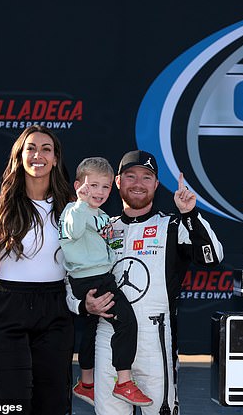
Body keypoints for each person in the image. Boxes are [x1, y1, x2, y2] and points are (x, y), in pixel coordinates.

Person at [66, 149, 224, 415]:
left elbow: (212, 258)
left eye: (146, 177)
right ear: (117, 182)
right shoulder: (100, 227)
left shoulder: (173, 225)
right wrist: (84, 306)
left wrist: (190, 213)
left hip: (156, 340)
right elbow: (71, 280)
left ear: (156, 184)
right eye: (130, 176)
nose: (138, 184)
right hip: (108, 337)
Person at [0, 125, 75, 414]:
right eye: (31, 148)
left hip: (56, 308)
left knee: (52, 399)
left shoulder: (71, 208)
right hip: (8, 308)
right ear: (19, 156)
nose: (38, 154)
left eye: (46, 149)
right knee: (10, 400)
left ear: (55, 159)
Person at [59, 157, 152, 407]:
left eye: (106, 186)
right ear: (79, 185)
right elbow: (73, 232)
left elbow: (106, 244)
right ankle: (124, 381)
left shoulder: (100, 215)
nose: (99, 192)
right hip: (91, 279)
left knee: (91, 329)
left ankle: (86, 383)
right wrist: (79, 203)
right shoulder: (73, 210)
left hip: (100, 276)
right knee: (127, 323)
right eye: (93, 186)